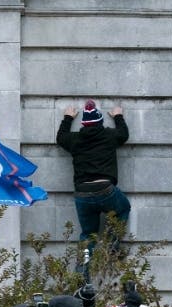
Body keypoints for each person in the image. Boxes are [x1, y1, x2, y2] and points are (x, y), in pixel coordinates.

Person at [56, 100, 132, 252]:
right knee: (123, 208)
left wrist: (68, 118)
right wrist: (118, 116)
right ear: (100, 121)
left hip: (82, 193)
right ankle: (112, 245)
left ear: (84, 123)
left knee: (88, 235)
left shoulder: (75, 139)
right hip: (105, 189)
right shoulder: (109, 135)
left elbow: (61, 137)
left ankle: (82, 274)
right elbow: (123, 134)